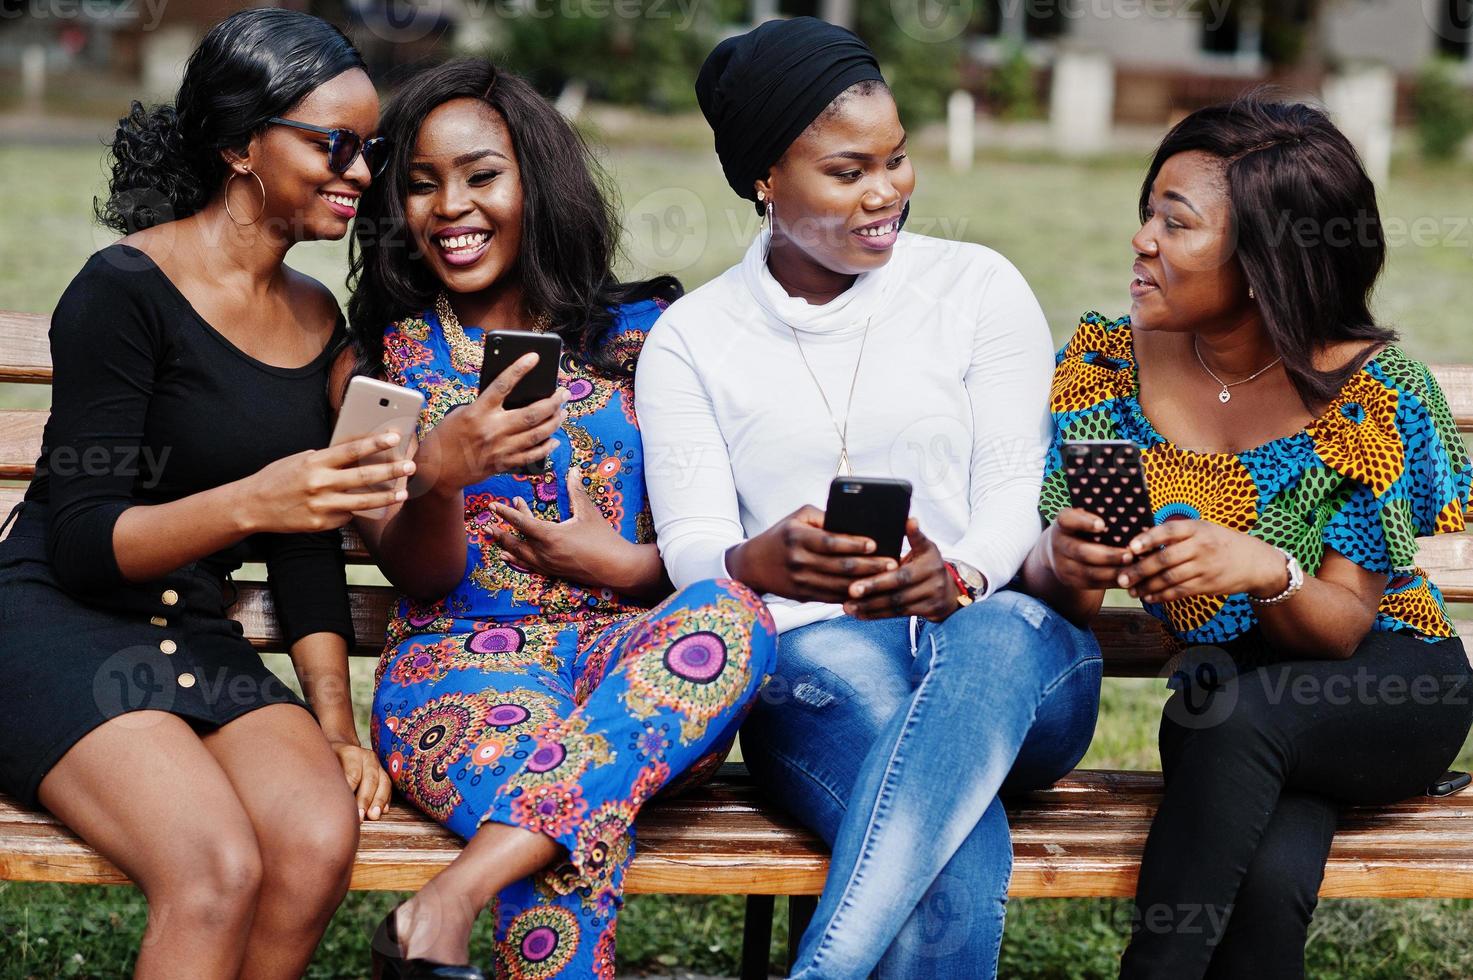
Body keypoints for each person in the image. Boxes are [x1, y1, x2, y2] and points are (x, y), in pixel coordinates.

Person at [635, 18, 1103, 979]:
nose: (885, 192)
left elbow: (1014, 489)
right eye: (847, 172)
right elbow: (691, 544)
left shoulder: (976, 287)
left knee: (1001, 631)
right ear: (765, 178)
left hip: (1005, 672)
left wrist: (961, 576)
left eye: (895, 160)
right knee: (946, 854)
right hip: (815, 664)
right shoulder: (694, 338)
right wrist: (754, 564)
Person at [341, 59, 778, 979]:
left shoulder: (650, 333)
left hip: (638, 677)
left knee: (734, 621)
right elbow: (417, 577)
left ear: (536, 180)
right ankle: (452, 908)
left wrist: (627, 566)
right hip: (457, 673)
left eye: (479, 175)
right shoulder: (383, 366)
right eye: (420, 185)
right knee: (572, 826)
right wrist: (440, 474)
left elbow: (739, 535)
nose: (449, 207)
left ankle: (444, 901)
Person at [1019, 98, 1473, 979]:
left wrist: (1261, 566)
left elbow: (1341, 628)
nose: (1142, 239)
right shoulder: (1107, 362)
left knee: (1237, 718)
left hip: (1380, 681)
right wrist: (1066, 560)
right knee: (1265, 875)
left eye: (1175, 223)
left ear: (1265, 261)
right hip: (1225, 690)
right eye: (1147, 211)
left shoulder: (1375, 394)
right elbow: (1066, 595)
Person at [0, 9, 397, 977]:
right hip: (58, 620)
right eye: (334, 145)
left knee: (313, 841)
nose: (359, 173)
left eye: (370, 150)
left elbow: (306, 540)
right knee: (214, 863)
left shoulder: (314, 317)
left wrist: (337, 726)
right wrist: (258, 499)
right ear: (239, 147)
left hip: (190, 632)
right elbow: (86, 542)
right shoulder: (123, 290)